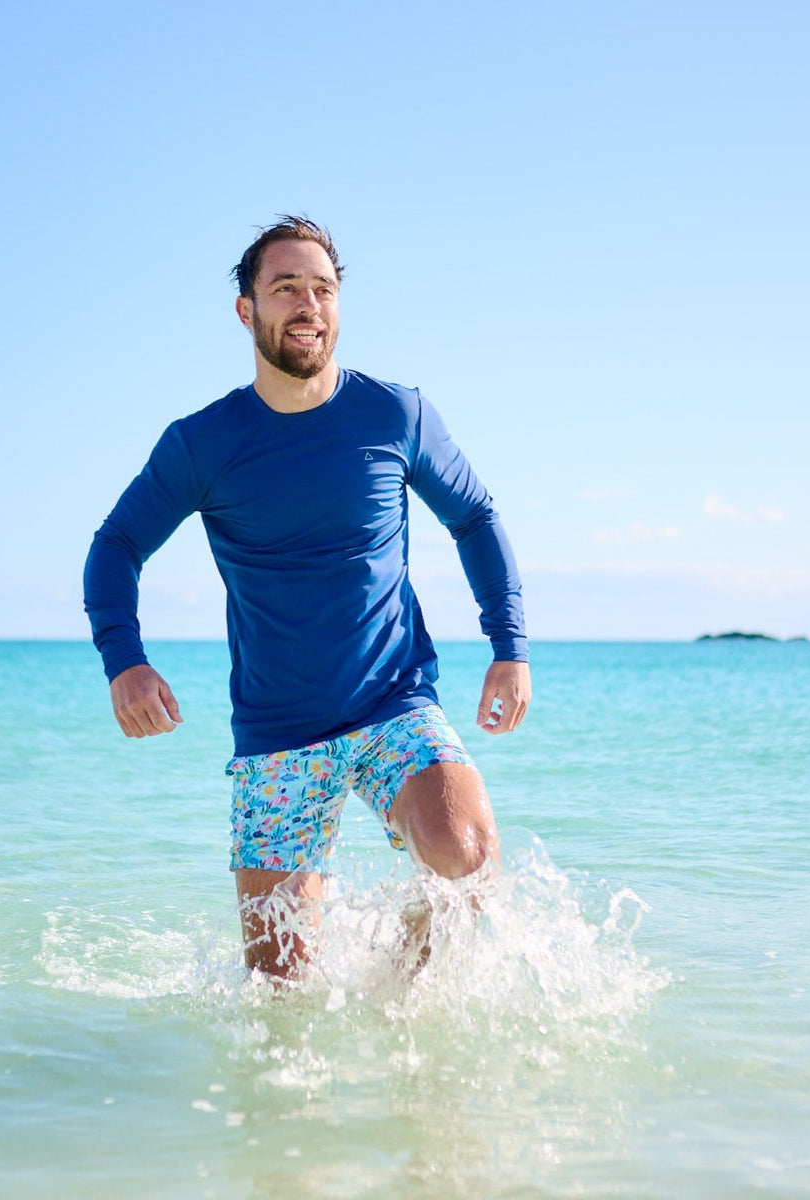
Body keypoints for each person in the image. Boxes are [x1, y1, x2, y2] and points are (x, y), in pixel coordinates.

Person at [83, 216, 530, 978]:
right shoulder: (203, 443)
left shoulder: (395, 415)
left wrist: (508, 647)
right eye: (285, 288)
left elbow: (476, 516)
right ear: (246, 310)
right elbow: (116, 546)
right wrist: (125, 661)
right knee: (277, 991)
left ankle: (401, 1007)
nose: (307, 305)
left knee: (466, 857)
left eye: (322, 288)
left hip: (394, 703)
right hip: (276, 734)